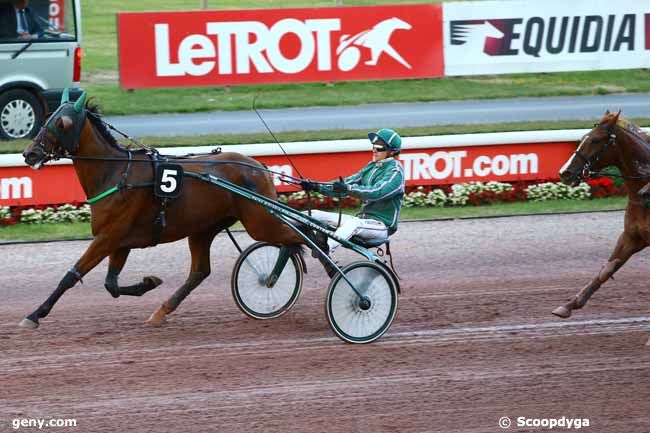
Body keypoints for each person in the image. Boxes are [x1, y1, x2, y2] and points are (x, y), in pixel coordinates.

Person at [301, 128, 405, 276]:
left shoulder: (396, 172)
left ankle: (325, 249)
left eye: (379, 147)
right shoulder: (371, 167)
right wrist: (316, 186)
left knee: (354, 223)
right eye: (373, 146)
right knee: (315, 215)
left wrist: (349, 188)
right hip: (363, 221)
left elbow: (376, 192)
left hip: (381, 227)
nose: (374, 150)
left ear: (392, 151)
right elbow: (346, 184)